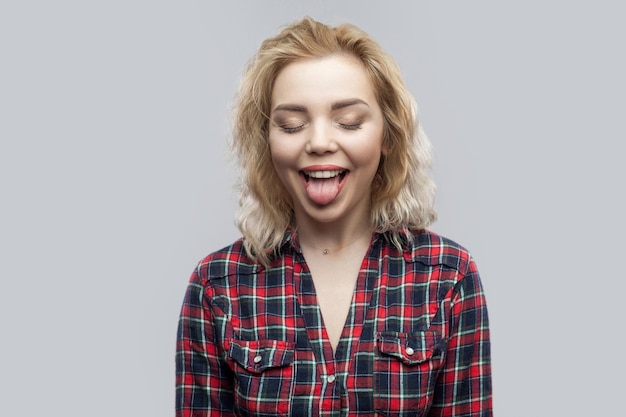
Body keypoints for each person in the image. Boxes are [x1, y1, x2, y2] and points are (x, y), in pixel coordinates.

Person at [176, 17, 492, 416]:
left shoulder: (448, 278)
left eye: (348, 122)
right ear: (266, 142)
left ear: (388, 135)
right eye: (292, 125)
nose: (319, 142)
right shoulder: (216, 287)